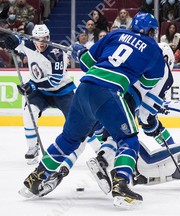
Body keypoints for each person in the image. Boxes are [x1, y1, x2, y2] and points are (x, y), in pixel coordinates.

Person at [16, 12, 166, 209]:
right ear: (151, 31)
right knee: (128, 139)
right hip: (109, 92)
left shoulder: (115, 34)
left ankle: (36, 177)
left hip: (84, 88)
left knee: (69, 140)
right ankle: (121, 184)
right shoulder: (154, 49)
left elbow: (87, 63)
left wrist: (80, 52)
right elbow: (147, 82)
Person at [2, 24, 76, 165]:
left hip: (62, 92)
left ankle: (99, 151)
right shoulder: (29, 44)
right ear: (33, 38)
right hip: (41, 92)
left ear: (48, 37)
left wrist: (32, 85)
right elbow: (18, 41)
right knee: (29, 112)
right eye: (37, 39)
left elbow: (54, 81)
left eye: (44, 39)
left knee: (76, 120)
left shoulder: (57, 53)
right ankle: (32, 147)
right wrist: (11, 40)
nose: (41, 42)